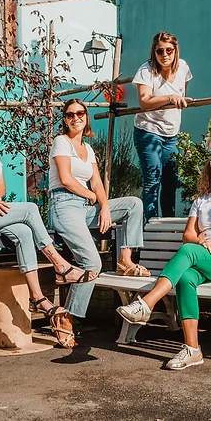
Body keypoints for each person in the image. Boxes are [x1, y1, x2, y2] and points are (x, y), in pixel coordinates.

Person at [0, 90, 96, 347]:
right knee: (30, 210)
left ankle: (38, 298)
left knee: (23, 231)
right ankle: (60, 264)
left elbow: (0, 185)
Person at [116, 150, 211, 370]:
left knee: (188, 251)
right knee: (186, 276)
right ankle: (192, 349)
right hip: (205, 257)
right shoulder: (202, 201)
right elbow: (188, 234)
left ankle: (147, 304)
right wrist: (202, 242)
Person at [48, 99, 149, 346]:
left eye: (80, 113)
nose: (75, 118)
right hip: (64, 205)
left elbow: (97, 183)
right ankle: (67, 318)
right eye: (70, 114)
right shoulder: (61, 142)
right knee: (92, 261)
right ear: (65, 119)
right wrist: (93, 198)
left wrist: (104, 206)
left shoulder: (88, 148)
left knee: (133, 204)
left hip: (85, 207)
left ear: (86, 116)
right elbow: (66, 179)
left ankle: (125, 261)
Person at [133, 31, 193, 220]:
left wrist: (178, 100)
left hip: (171, 133)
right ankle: (151, 227)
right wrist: (169, 97)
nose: (164, 55)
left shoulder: (183, 67)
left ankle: (169, 226)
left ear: (176, 51)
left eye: (169, 50)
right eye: (160, 51)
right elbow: (144, 101)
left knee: (171, 182)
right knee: (153, 179)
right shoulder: (146, 70)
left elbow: (182, 95)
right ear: (154, 52)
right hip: (149, 131)